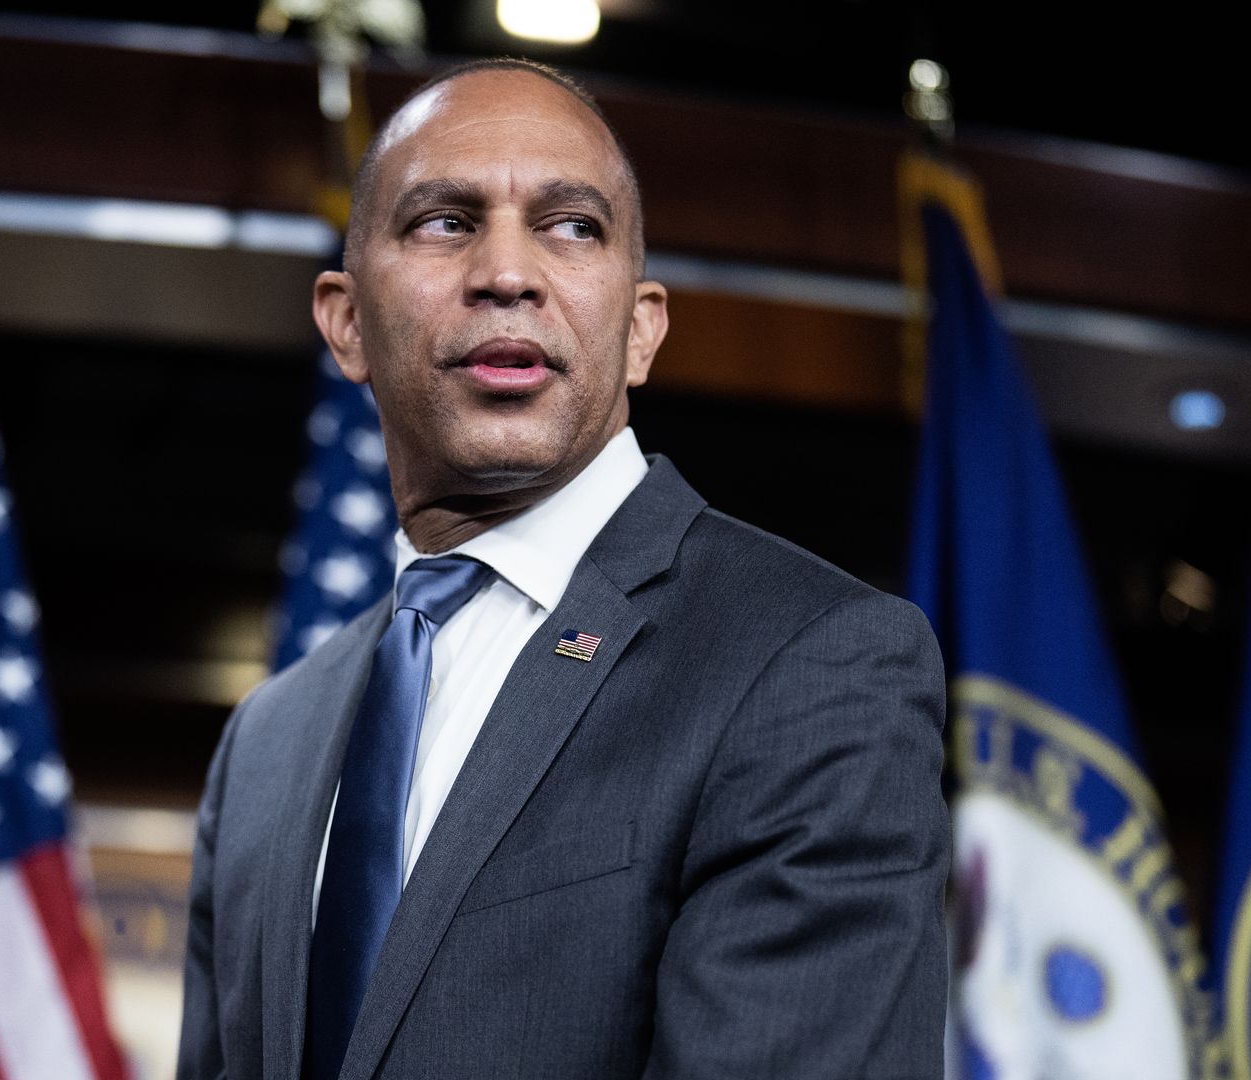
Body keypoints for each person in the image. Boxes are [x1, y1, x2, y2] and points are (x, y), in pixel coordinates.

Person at [179, 58, 949, 1080]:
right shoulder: (266, 743)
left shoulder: (812, 663)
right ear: (347, 320)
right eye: (445, 220)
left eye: (572, 226)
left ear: (640, 329)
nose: (509, 272)